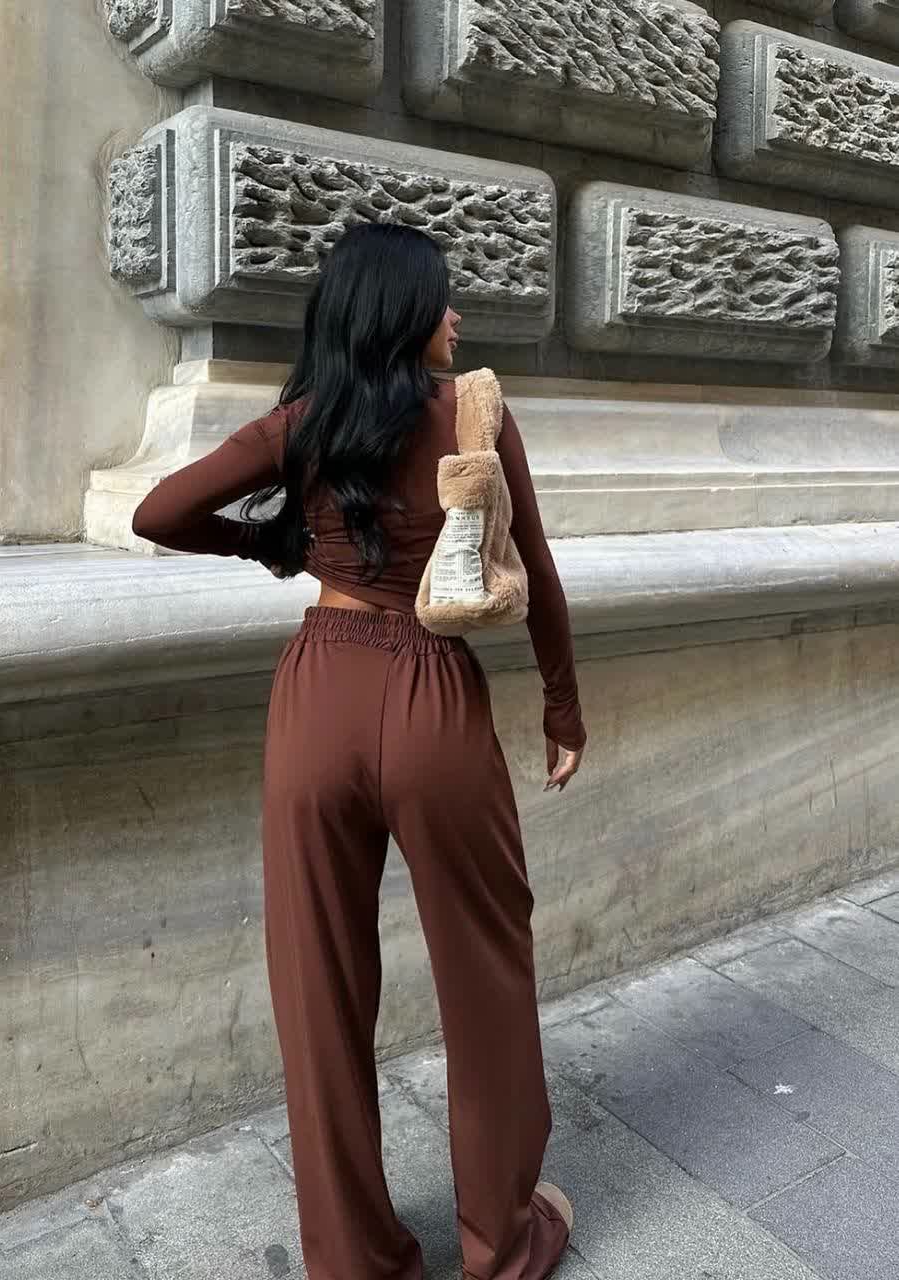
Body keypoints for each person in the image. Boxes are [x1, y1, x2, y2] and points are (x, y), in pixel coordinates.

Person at [131, 222, 587, 1280]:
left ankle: (353, 1260)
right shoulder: (472, 412)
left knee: (318, 989)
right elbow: (538, 574)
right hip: (432, 696)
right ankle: (503, 1241)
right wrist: (563, 710)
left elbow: (160, 511)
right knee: (486, 968)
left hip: (319, 693)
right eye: (441, 298)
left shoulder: (304, 421)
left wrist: (270, 541)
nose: (455, 315)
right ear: (402, 311)